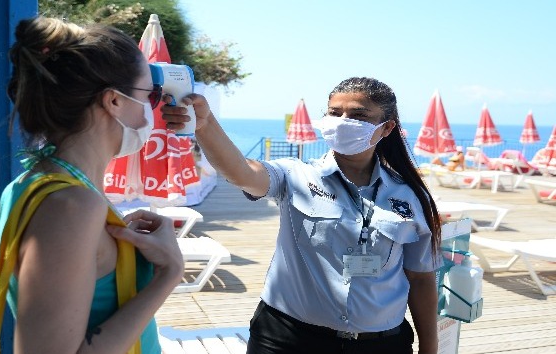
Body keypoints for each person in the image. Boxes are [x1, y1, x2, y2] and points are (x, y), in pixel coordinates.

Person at [162, 77, 443, 354]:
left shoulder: (411, 197)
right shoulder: (295, 175)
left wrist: (430, 347)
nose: (343, 121)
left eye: (358, 115)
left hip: (381, 344)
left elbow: (421, 279)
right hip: (288, 338)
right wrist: (205, 124)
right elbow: (242, 172)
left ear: (386, 128)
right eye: (335, 113)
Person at [0, 17, 183, 353]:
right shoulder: (71, 206)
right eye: (149, 95)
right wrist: (169, 275)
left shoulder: (31, 186)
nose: (154, 108)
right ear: (114, 101)